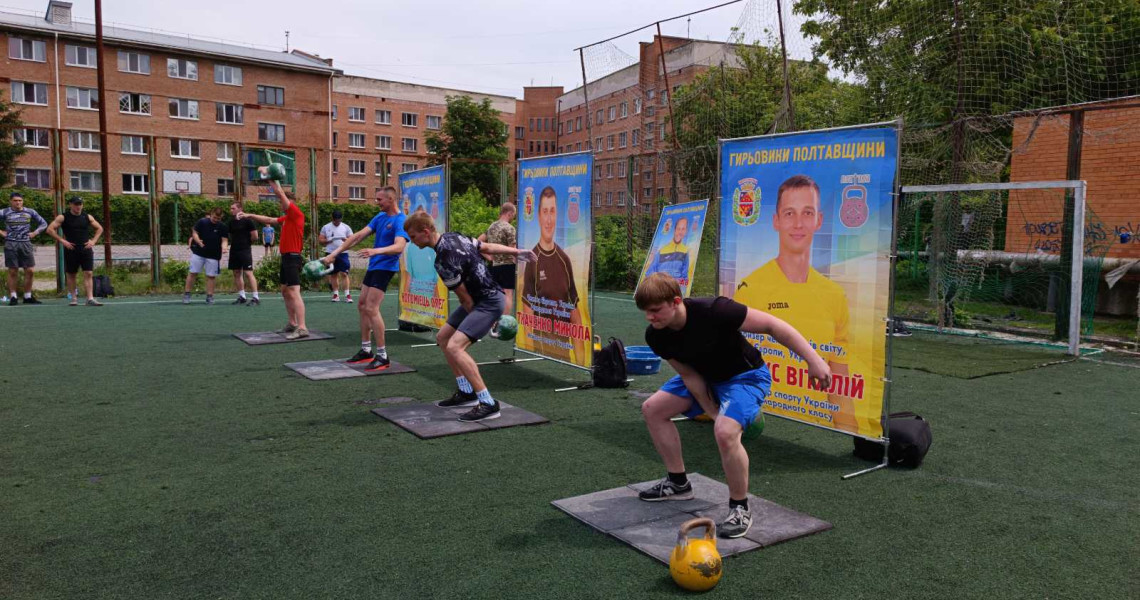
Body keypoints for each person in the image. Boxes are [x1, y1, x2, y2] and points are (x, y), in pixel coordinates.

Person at [635, 272, 832, 538]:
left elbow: (774, 325)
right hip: (704, 376)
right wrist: (710, 408)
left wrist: (814, 360)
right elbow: (689, 375)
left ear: (676, 301)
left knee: (726, 432)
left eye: (655, 310)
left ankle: (740, 508)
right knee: (652, 409)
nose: (650, 317)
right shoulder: (656, 335)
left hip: (746, 377)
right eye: (646, 312)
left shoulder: (715, 310)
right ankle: (678, 484)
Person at [732, 175, 854, 431]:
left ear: (818, 220)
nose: (798, 223)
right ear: (776, 221)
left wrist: (853, 432)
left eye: (807, 213)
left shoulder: (834, 295)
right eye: (789, 213)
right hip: (759, 418)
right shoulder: (750, 289)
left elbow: (839, 376)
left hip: (817, 425)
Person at [403, 211, 536, 422]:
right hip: (482, 298)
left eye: (413, 237)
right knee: (443, 338)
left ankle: (488, 403)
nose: (412, 241)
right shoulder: (454, 236)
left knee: (455, 346)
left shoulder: (443, 262)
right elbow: (486, 247)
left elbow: (466, 302)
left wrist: (485, 321)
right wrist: (516, 251)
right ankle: (466, 393)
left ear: (425, 232)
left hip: (488, 301)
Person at [322, 187, 407, 371]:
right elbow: (358, 236)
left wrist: (375, 251)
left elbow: (399, 246)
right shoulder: (379, 217)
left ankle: (383, 355)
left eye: (379, 199)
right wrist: (335, 254)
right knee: (362, 305)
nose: (376, 202)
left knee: (371, 307)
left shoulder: (401, 220)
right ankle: (366, 349)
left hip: (385, 267)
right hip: (374, 266)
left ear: (391, 199)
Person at [237, 171, 309, 339]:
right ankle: (292, 323)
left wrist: (269, 177)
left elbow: (280, 193)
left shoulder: (297, 214)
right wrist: (249, 215)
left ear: (291, 204)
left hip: (293, 256)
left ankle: (302, 327)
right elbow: (269, 219)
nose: (281, 204)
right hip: (285, 257)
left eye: (284, 203)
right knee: (285, 290)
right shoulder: (287, 218)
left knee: (293, 291)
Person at [519, 187, 585, 362]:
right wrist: (531, 354)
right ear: (539, 216)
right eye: (545, 212)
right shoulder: (532, 258)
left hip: (564, 355)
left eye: (553, 212)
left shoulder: (564, 260)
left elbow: (576, 319)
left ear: (557, 216)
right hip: (541, 355)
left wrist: (581, 363)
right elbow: (527, 318)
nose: (549, 219)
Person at [45, 196, 104, 306]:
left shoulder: (87, 217)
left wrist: (93, 241)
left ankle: (90, 299)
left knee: (88, 272)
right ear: (70, 205)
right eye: (76, 204)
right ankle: (74, 298)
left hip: (86, 248)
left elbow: (100, 228)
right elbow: (49, 229)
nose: (78, 206)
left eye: (80, 204)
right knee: (71, 274)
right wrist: (63, 241)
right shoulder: (63, 217)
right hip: (71, 249)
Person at [1, 191, 48, 305]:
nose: (18, 203)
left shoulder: (30, 212)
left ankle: (27, 296)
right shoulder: (4, 212)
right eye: (15, 201)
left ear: (23, 201)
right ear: (11, 201)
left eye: (20, 200)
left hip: (26, 243)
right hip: (11, 244)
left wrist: (35, 233)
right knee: (13, 271)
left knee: (30, 270)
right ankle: (13, 297)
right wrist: (1, 232)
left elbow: (44, 224)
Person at [478, 202, 517, 337]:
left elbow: (478, 243)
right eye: (514, 215)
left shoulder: (491, 227)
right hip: (507, 265)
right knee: (508, 294)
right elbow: (513, 250)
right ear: (510, 213)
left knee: (496, 296)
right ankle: (503, 325)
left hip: (494, 266)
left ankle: (492, 323)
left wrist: (489, 257)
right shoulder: (510, 228)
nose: (513, 218)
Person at [183, 207, 228, 305]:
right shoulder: (202, 222)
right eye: (214, 217)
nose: (216, 220)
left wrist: (224, 248)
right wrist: (198, 241)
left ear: (221, 218)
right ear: (211, 214)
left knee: (211, 276)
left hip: (213, 255)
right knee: (192, 273)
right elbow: (194, 233)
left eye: (218, 219)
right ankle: (187, 294)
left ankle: (210, 296)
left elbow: (224, 240)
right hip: (199, 253)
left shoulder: (222, 226)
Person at [227, 202, 260, 306]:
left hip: (245, 250)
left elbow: (255, 236)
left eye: (233, 208)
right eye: (231, 208)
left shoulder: (248, 221)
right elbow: (229, 235)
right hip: (234, 250)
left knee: (248, 273)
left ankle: (255, 297)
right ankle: (242, 296)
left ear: (240, 209)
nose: (231, 210)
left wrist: (246, 243)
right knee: (236, 273)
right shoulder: (231, 222)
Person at [645, 215, 691, 290]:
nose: (680, 232)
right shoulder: (662, 250)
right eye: (678, 228)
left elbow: (685, 276)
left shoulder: (685, 251)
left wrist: (681, 290)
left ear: (685, 231)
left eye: (683, 229)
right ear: (675, 230)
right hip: (660, 287)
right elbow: (650, 272)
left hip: (675, 289)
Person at [319, 209, 354, 303]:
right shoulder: (326, 227)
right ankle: (335, 294)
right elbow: (321, 240)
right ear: (332, 218)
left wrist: (346, 240)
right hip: (330, 253)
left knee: (344, 273)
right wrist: (328, 240)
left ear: (341, 219)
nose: (337, 222)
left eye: (338, 220)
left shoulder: (346, 227)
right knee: (333, 274)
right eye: (335, 220)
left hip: (343, 253)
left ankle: (347, 295)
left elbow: (352, 240)